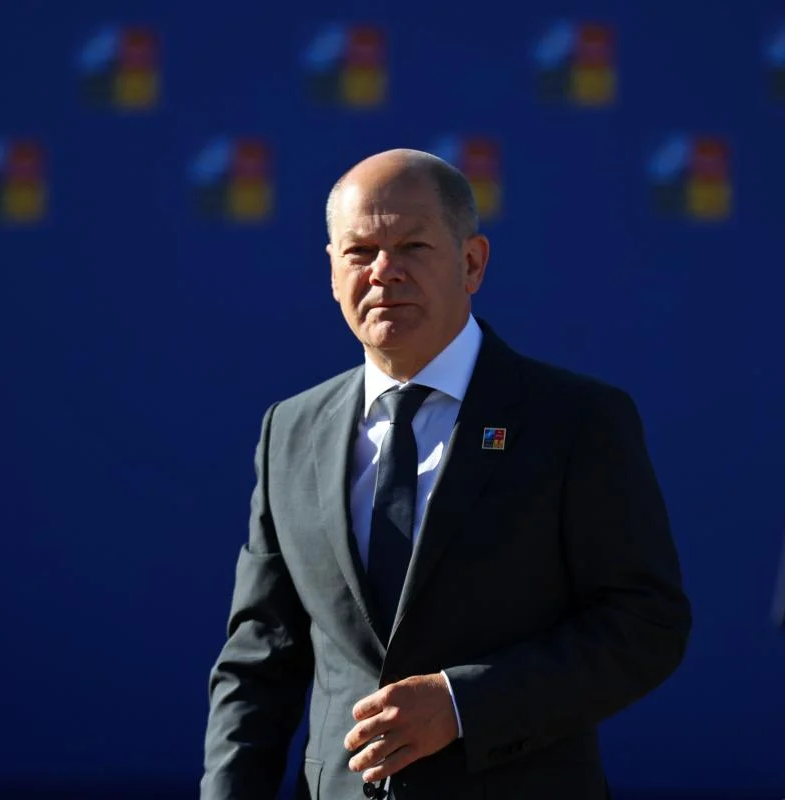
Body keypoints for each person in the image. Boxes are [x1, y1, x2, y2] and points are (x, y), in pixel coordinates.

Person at [199, 149, 691, 800]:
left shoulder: (575, 421)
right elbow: (260, 658)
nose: (384, 271)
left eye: (412, 246)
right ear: (331, 270)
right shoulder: (290, 430)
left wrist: (463, 704)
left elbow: (646, 624)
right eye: (360, 252)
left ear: (472, 263)